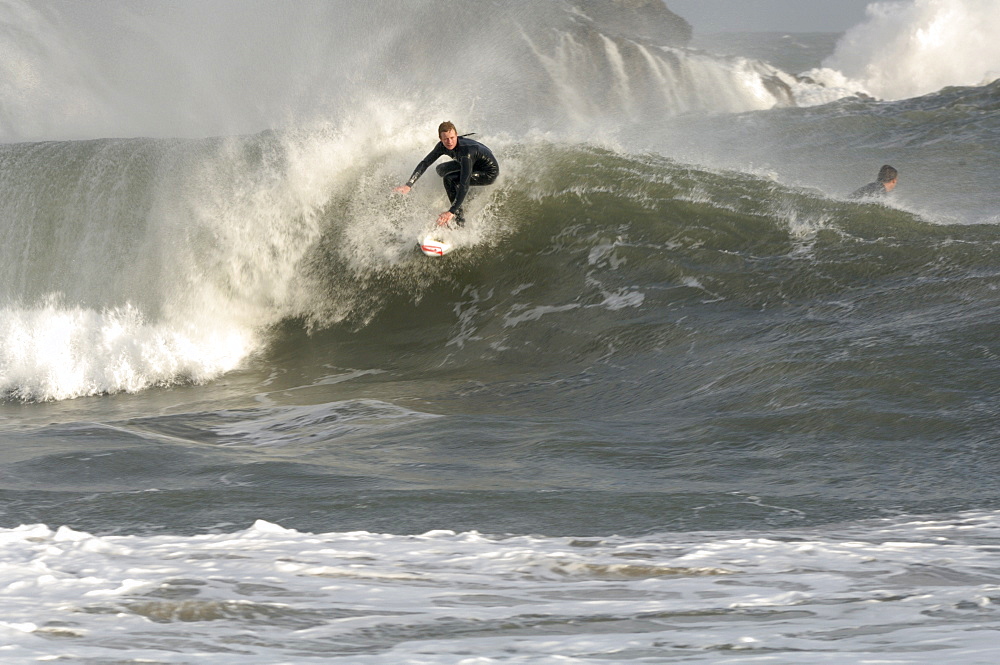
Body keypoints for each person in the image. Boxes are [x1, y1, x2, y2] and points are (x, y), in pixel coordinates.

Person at [395, 121, 500, 226]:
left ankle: (459, 220)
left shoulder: (465, 153)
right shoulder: (442, 146)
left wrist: (451, 211)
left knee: (449, 179)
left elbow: (464, 183)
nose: (450, 142)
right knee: (441, 169)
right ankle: (460, 197)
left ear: (456, 135)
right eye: (445, 139)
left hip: (488, 172)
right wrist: (409, 184)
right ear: (440, 139)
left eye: (452, 138)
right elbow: (425, 162)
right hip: (472, 163)